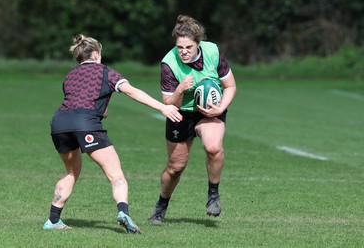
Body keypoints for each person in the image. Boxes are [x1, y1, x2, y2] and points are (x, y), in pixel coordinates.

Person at [42, 34, 183, 234]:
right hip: (86, 124)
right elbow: (132, 92)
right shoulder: (106, 72)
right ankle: (123, 212)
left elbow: (82, 99)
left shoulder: (70, 76)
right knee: (116, 175)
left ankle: (53, 220)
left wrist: (100, 111)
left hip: (60, 124)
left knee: (71, 172)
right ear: (97, 54)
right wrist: (163, 108)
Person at [148, 15, 237, 224]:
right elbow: (169, 103)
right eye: (180, 47)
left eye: (189, 47)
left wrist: (220, 109)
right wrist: (180, 89)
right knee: (175, 167)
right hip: (180, 112)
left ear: (199, 44)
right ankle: (161, 204)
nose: (184, 52)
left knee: (213, 147)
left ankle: (213, 195)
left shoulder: (212, 52)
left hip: (210, 109)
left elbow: (230, 86)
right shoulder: (169, 63)